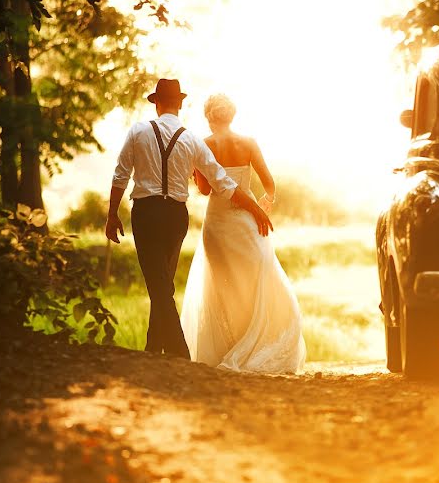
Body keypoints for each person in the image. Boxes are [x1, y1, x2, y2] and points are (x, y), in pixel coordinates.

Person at [105, 78, 273, 359]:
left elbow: (121, 174)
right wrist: (255, 208)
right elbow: (223, 183)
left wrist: (112, 213)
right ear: (179, 104)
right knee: (163, 282)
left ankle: (178, 353)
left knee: (159, 284)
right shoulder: (191, 138)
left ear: (156, 103)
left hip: (146, 213)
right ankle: (152, 347)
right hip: (176, 217)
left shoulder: (138, 131)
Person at [180, 94, 305, 374]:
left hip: (219, 222)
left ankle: (231, 346)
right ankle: (257, 341)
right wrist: (265, 203)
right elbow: (269, 184)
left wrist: (194, 174)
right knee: (256, 278)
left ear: (209, 117)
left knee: (224, 286)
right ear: (231, 116)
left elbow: (206, 190)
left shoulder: (204, 145)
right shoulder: (249, 143)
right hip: (249, 220)